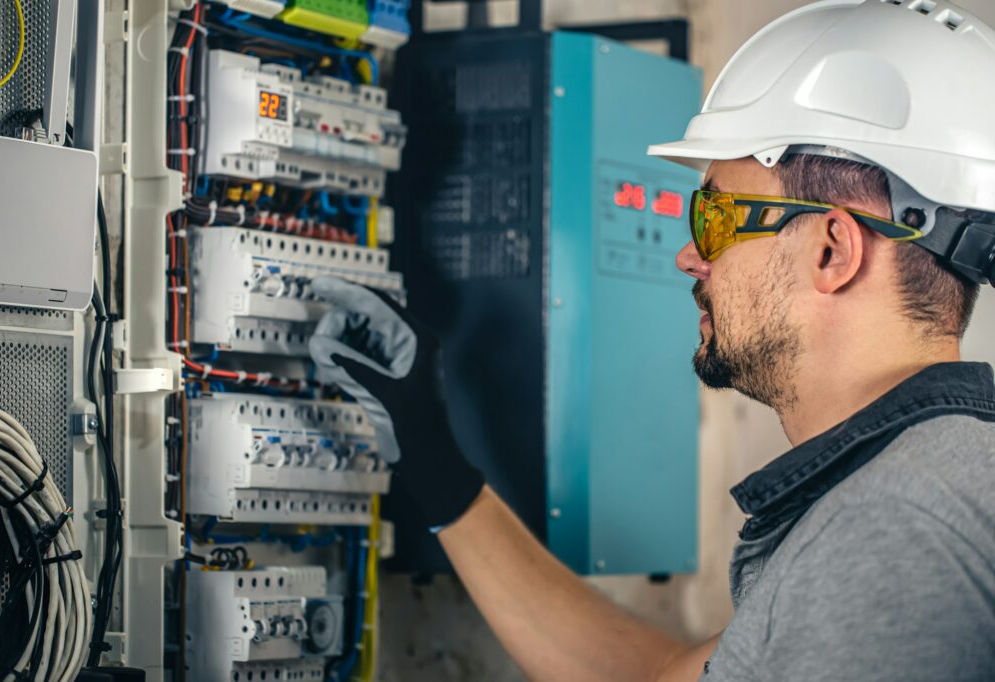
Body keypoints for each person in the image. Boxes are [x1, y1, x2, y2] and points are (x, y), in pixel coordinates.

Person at [309, 0, 995, 679]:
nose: (689, 256)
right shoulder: (921, 485)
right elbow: (660, 675)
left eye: (716, 216)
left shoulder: (894, 530)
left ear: (831, 250)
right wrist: (435, 462)